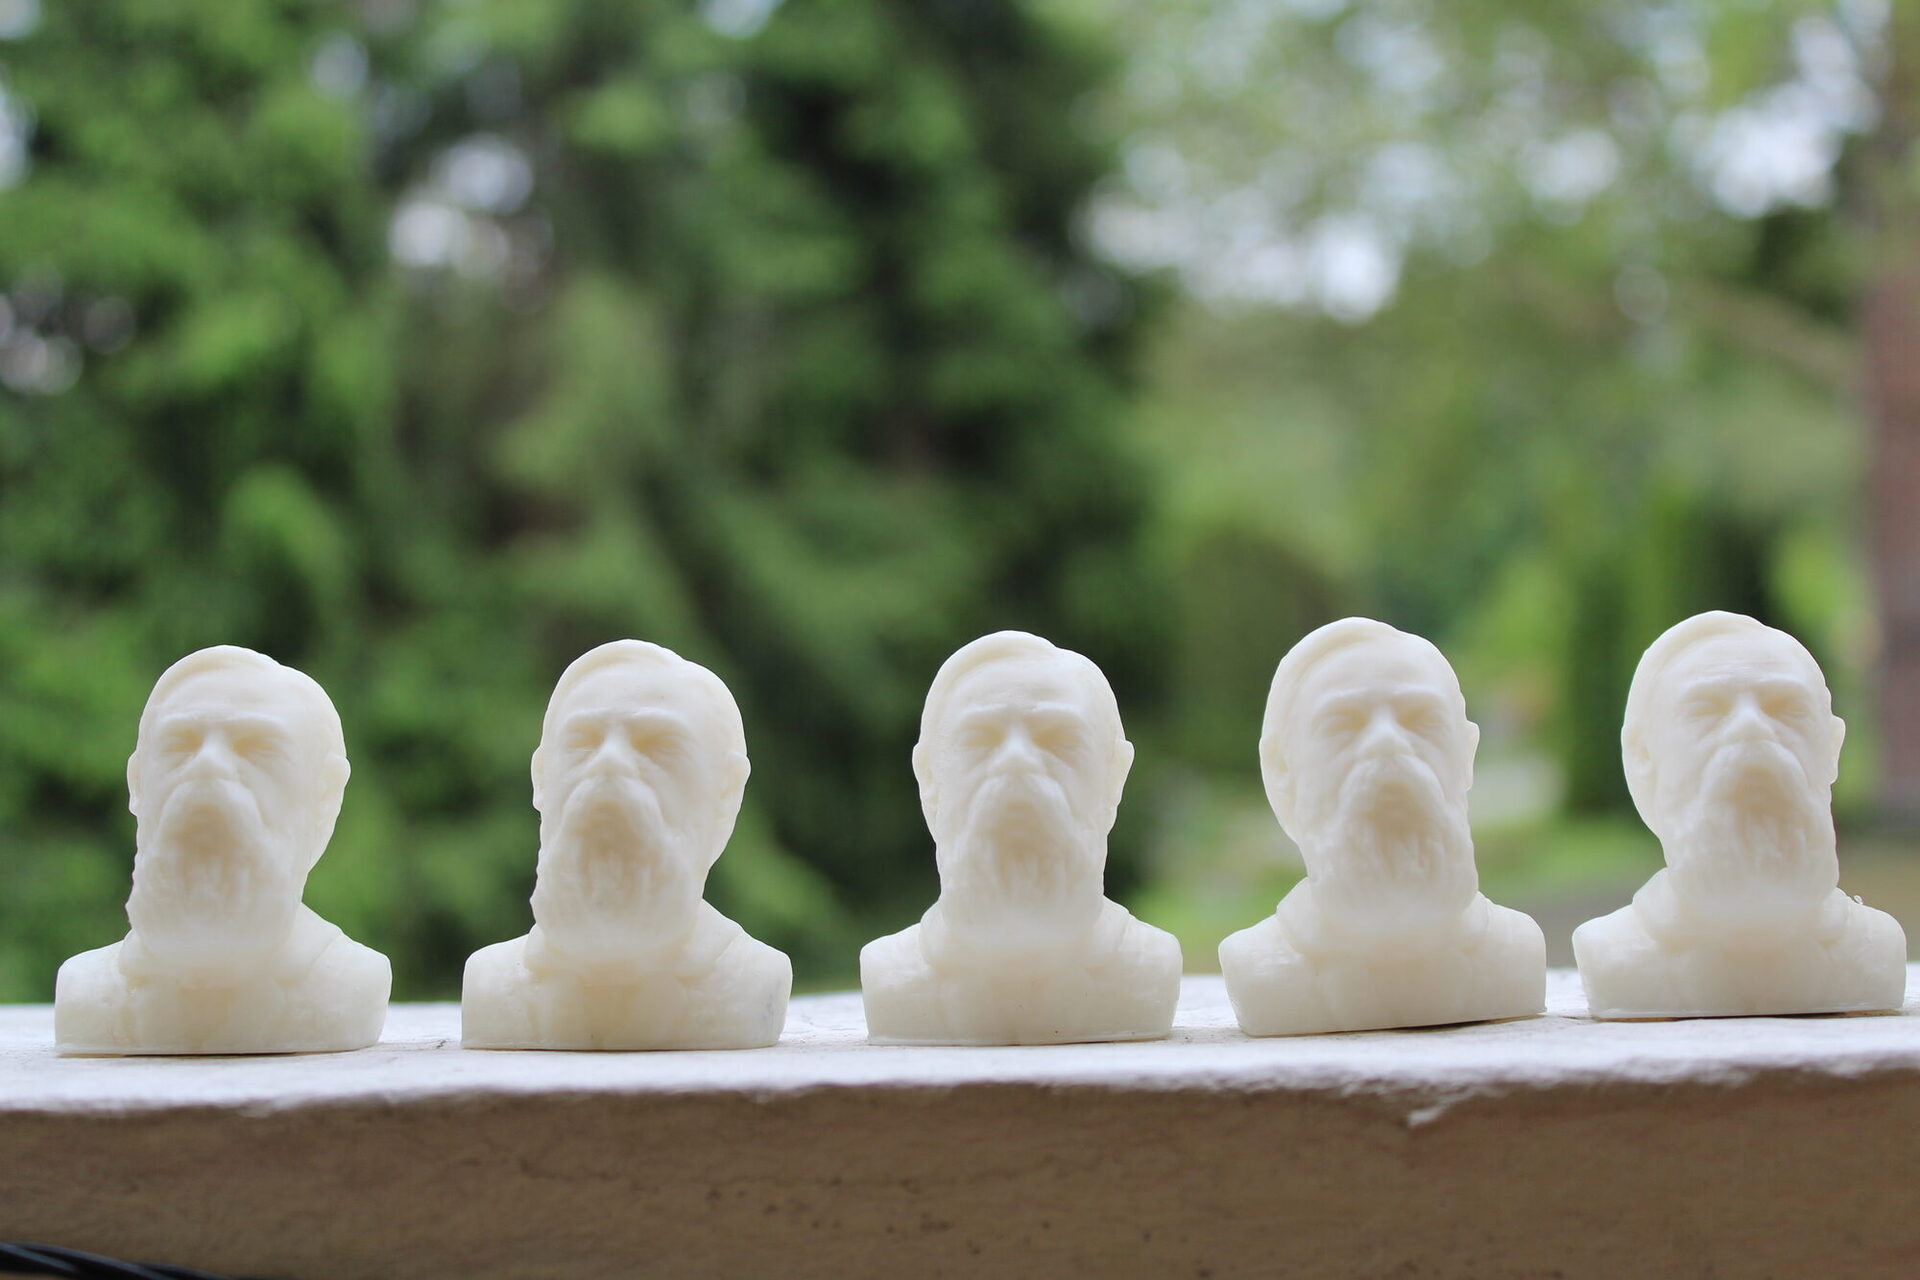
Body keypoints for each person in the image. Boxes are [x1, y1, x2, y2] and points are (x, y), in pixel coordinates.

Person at [55, 646, 389, 1054]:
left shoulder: (349, 982)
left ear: (325, 794)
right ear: (137, 784)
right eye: (180, 745)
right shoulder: (85, 986)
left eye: (258, 749)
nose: (209, 765)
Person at [1220, 618, 1544, 1035]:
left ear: (1466, 754)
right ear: (1282, 770)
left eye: (1422, 720)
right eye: (1341, 725)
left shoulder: (1516, 948)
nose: (1387, 741)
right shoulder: (1261, 965)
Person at [1573, 611, 1905, 1018]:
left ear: (1832, 748)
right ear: (1643, 758)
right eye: (1704, 712)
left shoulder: (1875, 947)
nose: (1750, 727)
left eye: (1787, 708)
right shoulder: (1614, 952)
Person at [462, 640, 790, 1049]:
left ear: (726, 792)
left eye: (659, 746)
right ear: (541, 779)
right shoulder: (490, 980)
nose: (609, 763)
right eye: (583, 743)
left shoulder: (752, 977)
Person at [861, 631, 1180, 1045]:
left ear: (1114, 778)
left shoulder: (1150, 964)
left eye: (1061, 740)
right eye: (978, 740)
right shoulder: (891, 973)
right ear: (929, 781)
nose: (1016, 761)